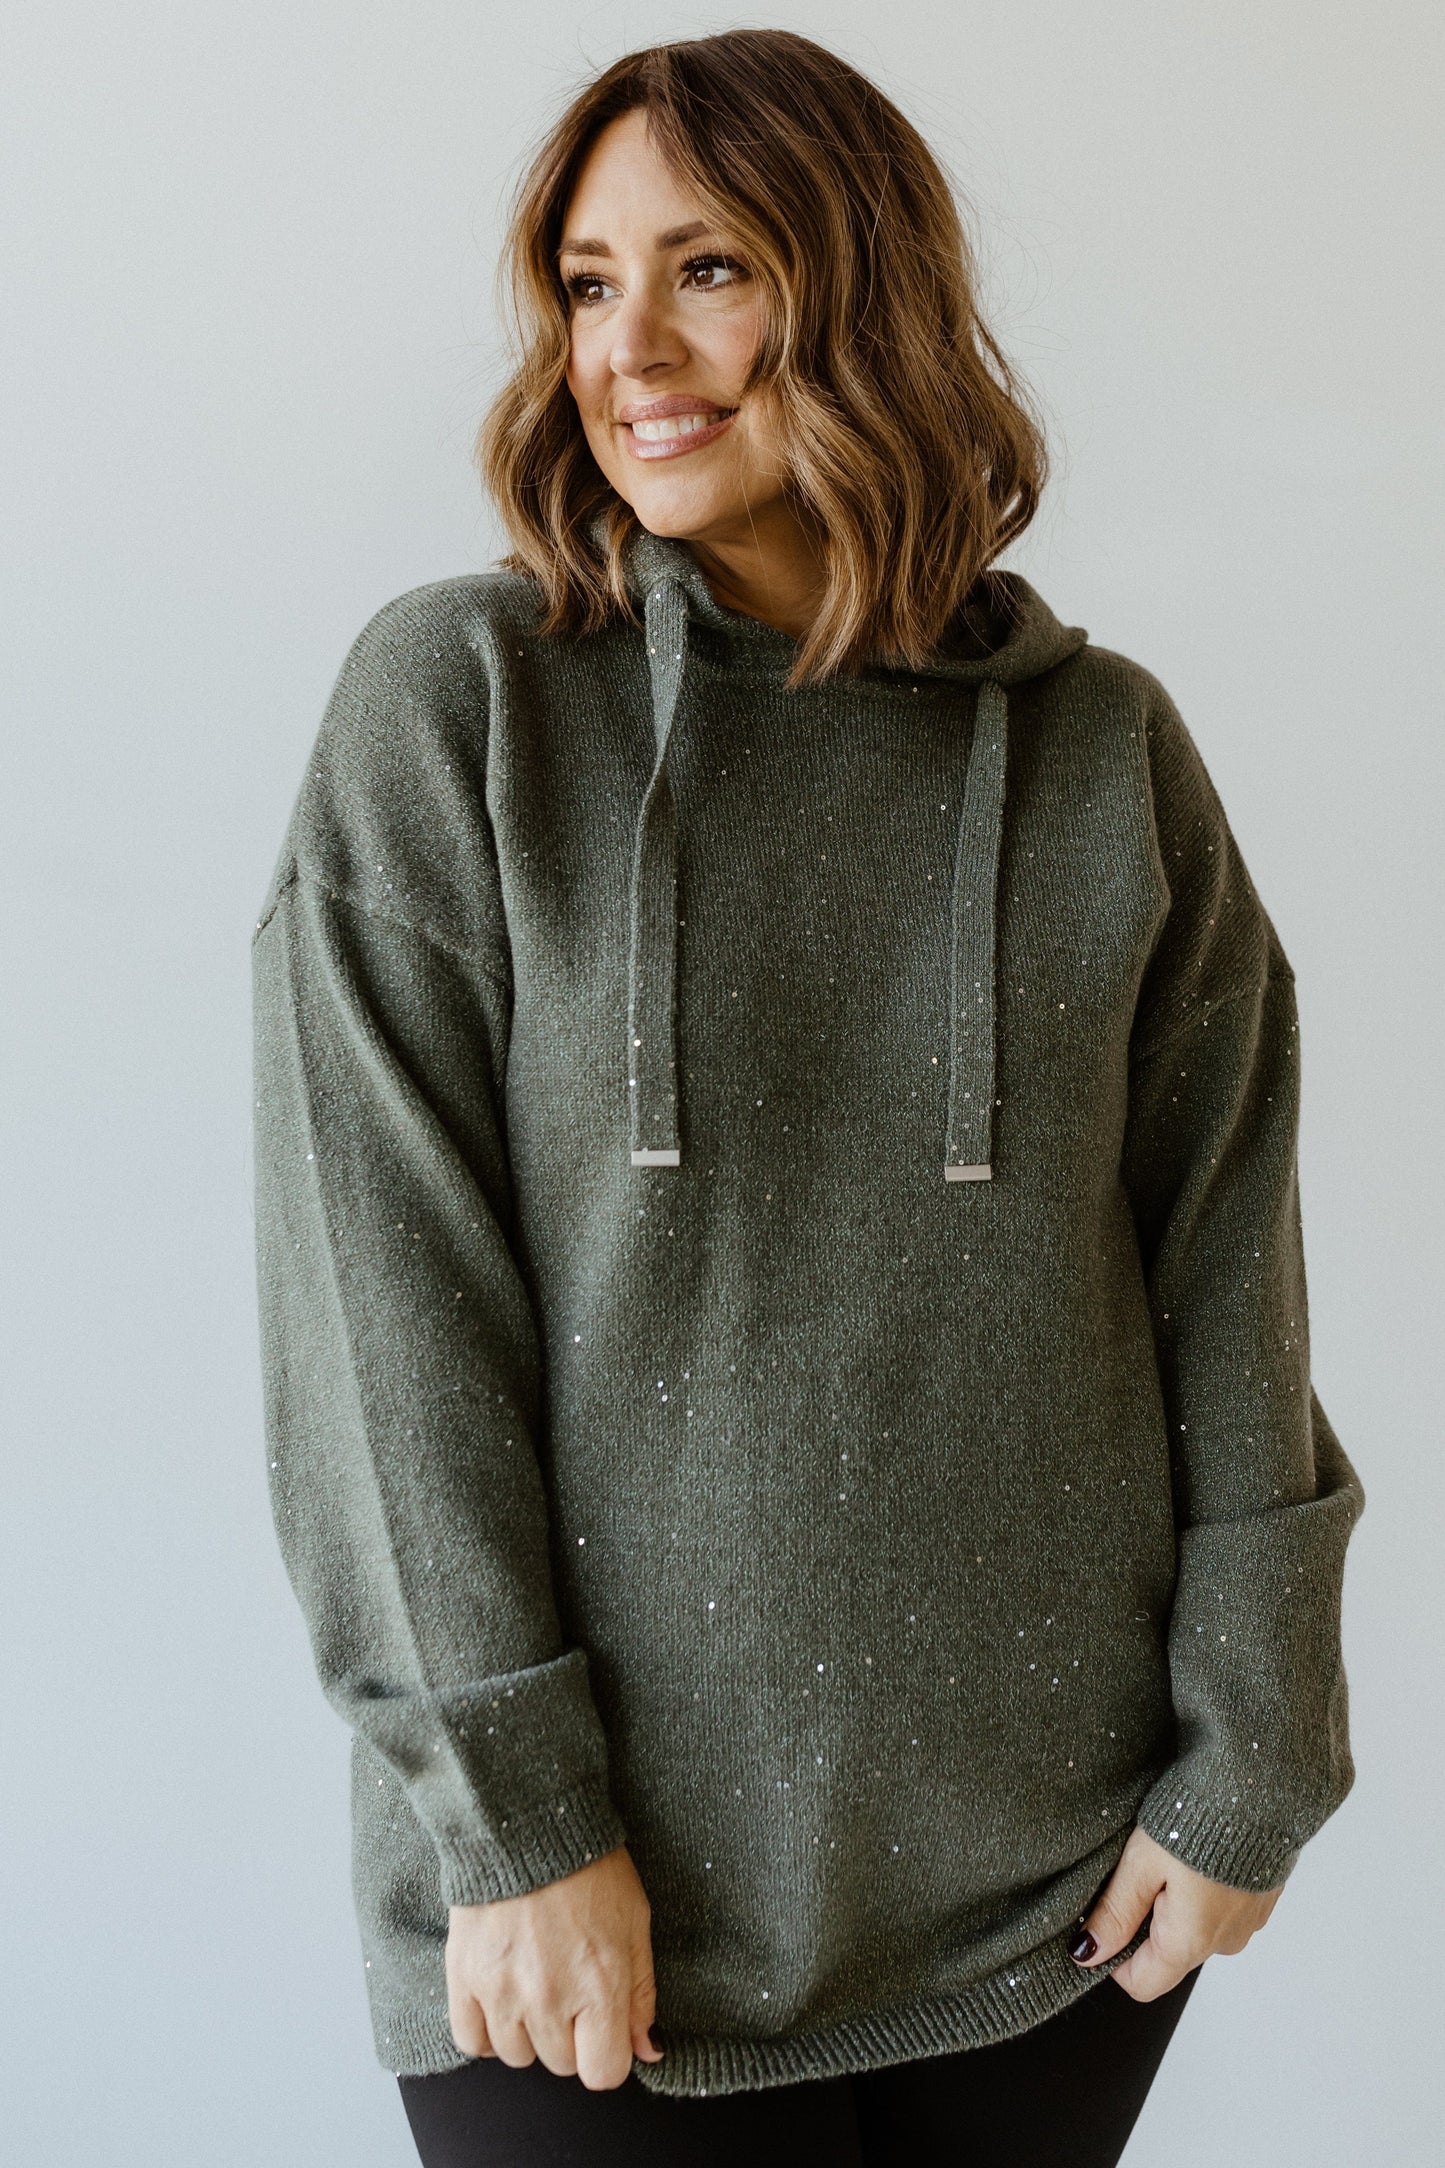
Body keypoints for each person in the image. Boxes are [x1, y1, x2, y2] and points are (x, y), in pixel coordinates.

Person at [250, 28, 1363, 2167]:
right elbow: (378, 1324)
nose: (629, 349)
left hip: (1057, 1913)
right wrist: (517, 1826)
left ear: (862, 295)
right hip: (594, 1940)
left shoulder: (1102, 751)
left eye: (710, 269)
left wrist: (1259, 1761)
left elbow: (1233, 1261)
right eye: (585, 284)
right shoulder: (458, 713)